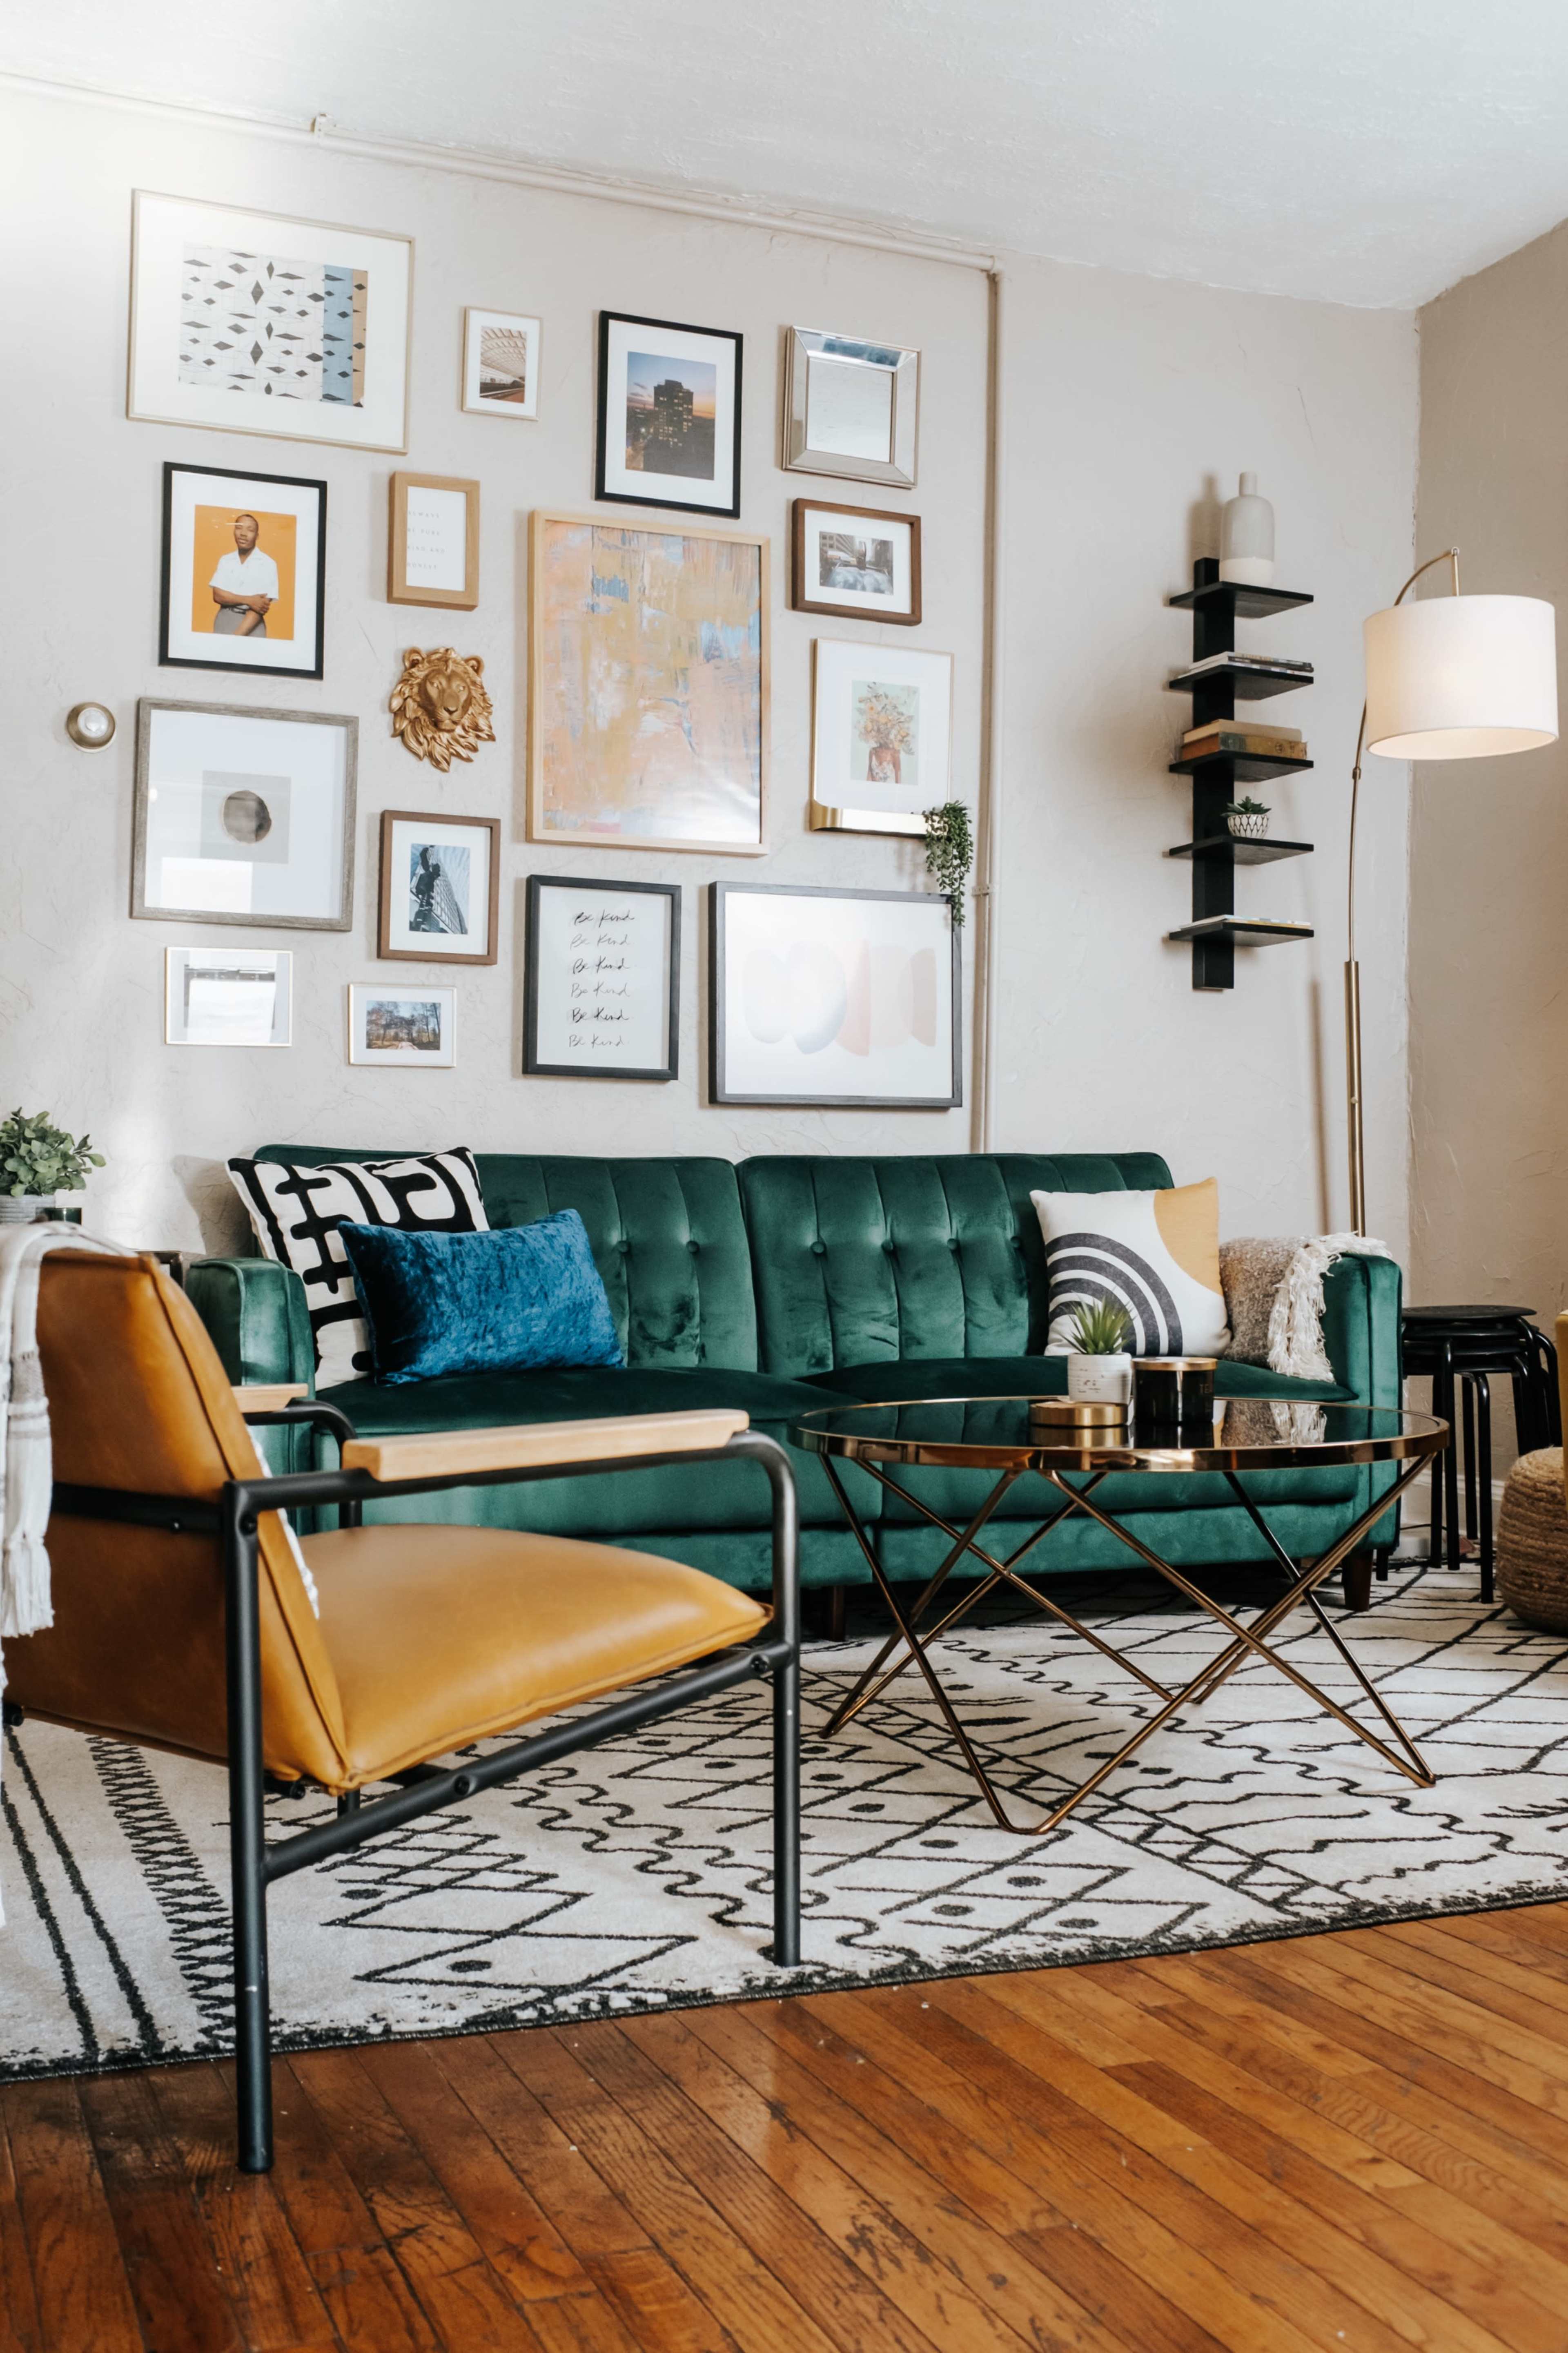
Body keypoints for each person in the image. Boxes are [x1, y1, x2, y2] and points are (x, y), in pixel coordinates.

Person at [210, 513, 278, 637]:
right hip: (223, 621)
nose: (243, 533)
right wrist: (249, 600)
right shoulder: (225, 560)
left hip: (252, 626)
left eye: (250, 530)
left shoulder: (268, 564)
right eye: (239, 528)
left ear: (257, 536)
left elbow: (260, 607)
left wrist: (235, 637)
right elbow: (218, 596)